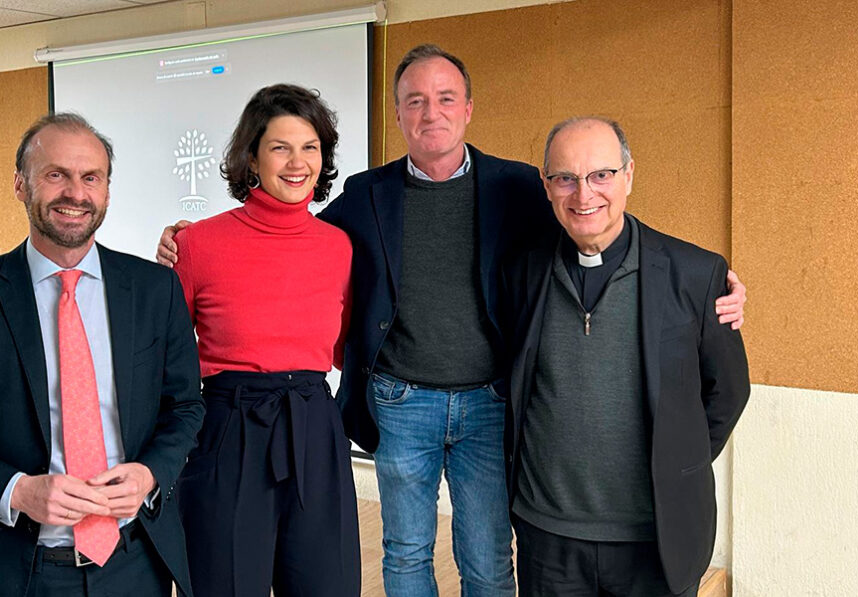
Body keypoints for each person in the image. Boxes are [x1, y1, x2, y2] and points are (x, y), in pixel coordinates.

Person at [157, 45, 747, 596]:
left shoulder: (519, 186)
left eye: (445, 99)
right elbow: (288, 232)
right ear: (398, 114)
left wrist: (705, 288)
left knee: (488, 557)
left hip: (488, 403)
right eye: (415, 101)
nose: (431, 113)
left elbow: (591, 223)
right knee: (406, 552)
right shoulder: (364, 197)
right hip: (400, 400)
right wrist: (184, 241)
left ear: (467, 109)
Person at [0, 113, 205, 597]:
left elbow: (185, 407)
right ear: (21, 184)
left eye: (90, 178)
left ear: (106, 190)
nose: (75, 194)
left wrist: (149, 474)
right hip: (11, 570)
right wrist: (17, 490)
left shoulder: (154, 289)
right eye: (55, 174)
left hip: (133, 563)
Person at [500, 116, 751, 597]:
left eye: (601, 175)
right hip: (548, 537)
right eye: (565, 178)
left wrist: (676, 460)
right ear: (546, 187)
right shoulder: (521, 272)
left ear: (629, 175)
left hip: (655, 539)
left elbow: (728, 391)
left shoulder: (697, 274)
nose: (584, 194)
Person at [171, 84, 359, 596]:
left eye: (310, 147)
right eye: (280, 147)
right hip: (228, 432)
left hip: (315, 428)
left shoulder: (339, 247)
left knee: (330, 585)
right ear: (251, 157)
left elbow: (345, 348)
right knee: (225, 585)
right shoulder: (196, 244)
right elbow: (162, 354)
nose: (297, 162)